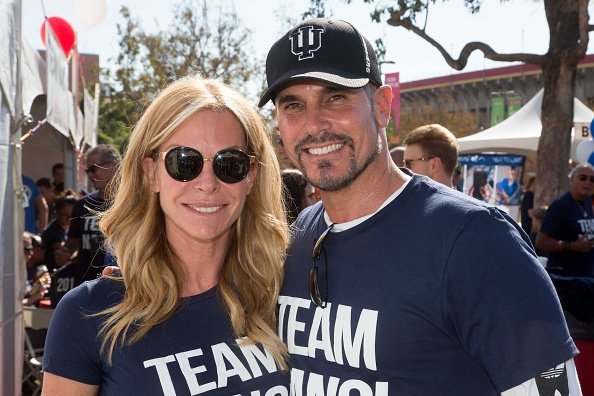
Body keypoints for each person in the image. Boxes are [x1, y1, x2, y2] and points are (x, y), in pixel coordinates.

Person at [260, 18, 581, 394]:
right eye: (293, 105)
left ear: (382, 107)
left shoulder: (476, 239)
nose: (314, 124)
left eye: (335, 97)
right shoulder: (296, 240)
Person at [42, 77, 290, 395]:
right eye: (183, 162)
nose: (207, 183)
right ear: (151, 172)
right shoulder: (89, 313)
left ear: (251, 176)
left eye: (230, 164)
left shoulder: (283, 291)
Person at [54, 144, 120, 287]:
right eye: (87, 170)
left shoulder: (132, 204)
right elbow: (72, 243)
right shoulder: (82, 205)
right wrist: (64, 253)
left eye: (93, 169)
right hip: (86, 285)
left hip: (121, 286)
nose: (90, 175)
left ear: (113, 166)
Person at [536, 163, 594, 277]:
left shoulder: (587, 202)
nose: (588, 182)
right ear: (572, 180)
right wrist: (571, 246)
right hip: (566, 279)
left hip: (585, 277)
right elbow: (540, 241)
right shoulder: (560, 206)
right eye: (583, 178)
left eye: (592, 179)